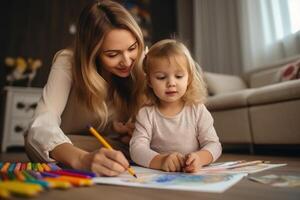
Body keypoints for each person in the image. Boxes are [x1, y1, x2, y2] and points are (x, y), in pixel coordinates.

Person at [25, 0, 146, 177]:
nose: (127, 61)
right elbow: (42, 124)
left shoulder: (143, 62)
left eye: (132, 48)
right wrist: (82, 160)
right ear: (92, 52)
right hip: (70, 150)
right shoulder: (68, 62)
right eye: (112, 54)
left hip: (120, 153)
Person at [130, 39, 222, 173]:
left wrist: (199, 159)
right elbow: (136, 149)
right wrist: (161, 161)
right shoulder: (146, 113)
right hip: (160, 176)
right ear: (149, 81)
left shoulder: (197, 109)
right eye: (161, 77)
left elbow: (214, 145)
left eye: (179, 76)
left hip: (191, 176)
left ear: (189, 78)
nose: (171, 83)